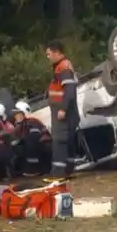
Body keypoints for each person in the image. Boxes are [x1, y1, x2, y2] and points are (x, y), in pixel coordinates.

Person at [44, 40, 78, 178]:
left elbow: (69, 90)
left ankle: (58, 173)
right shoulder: (61, 67)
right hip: (63, 110)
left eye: (49, 54)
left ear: (57, 52)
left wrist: (63, 109)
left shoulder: (63, 67)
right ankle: (67, 171)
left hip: (63, 111)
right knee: (67, 140)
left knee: (59, 141)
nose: (48, 57)